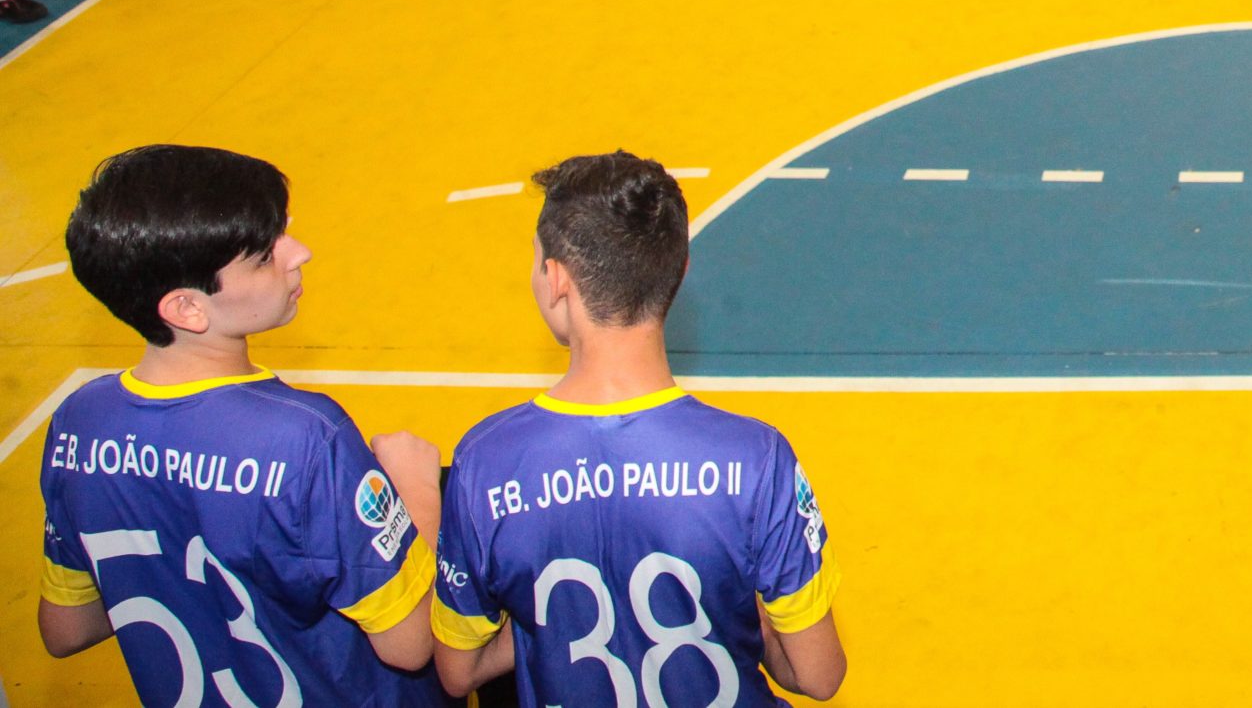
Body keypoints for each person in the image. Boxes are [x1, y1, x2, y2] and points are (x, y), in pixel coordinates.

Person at [430, 152, 848, 704]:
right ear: (679, 271)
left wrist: (547, 620)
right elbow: (818, 675)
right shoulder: (756, 460)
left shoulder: (485, 463)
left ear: (555, 279)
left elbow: (458, 671)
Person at [37, 146, 444, 704]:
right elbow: (412, 642)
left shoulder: (79, 422)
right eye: (264, 255)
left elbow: (67, 627)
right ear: (186, 308)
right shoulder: (306, 439)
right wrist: (418, 493)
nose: (299, 253)